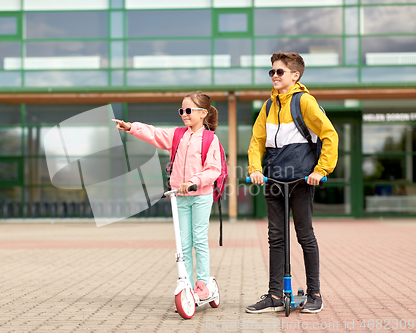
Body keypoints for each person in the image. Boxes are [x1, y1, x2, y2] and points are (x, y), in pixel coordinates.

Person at [246, 52, 339, 313]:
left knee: (304, 235)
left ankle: (315, 293)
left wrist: (321, 170)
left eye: (279, 72)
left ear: (295, 75)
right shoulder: (268, 106)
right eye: (271, 72)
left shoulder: (305, 102)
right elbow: (256, 142)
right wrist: (254, 168)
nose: (274, 76)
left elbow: (330, 135)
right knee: (276, 237)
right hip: (273, 178)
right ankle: (275, 294)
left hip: (301, 179)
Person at [113, 91, 222, 301]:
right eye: (182, 110)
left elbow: (213, 169)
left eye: (188, 110)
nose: (184, 114)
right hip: (179, 197)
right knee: (183, 242)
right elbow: (154, 134)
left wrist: (193, 182)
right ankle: (187, 286)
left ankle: (202, 284)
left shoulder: (210, 139)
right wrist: (131, 127)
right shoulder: (178, 135)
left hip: (200, 196)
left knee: (199, 239)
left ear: (203, 113)